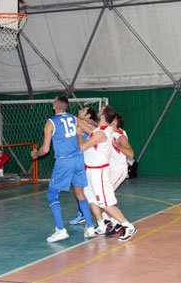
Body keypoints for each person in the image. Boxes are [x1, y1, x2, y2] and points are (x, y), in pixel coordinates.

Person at [31, 96, 95, 242]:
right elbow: (92, 132)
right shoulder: (75, 119)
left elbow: (45, 149)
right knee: (80, 193)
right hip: (78, 159)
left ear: (54, 105)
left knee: (52, 195)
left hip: (64, 161)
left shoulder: (50, 122)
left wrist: (36, 154)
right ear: (66, 107)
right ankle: (90, 227)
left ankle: (60, 230)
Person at [77, 105, 137, 242]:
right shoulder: (105, 129)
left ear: (104, 116)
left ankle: (127, 226)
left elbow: (82, 147)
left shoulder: (105, 133)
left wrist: (79, 133)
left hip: (103, 171)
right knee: (90, 198)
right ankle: (103, 224)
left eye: (101, 110)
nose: (98, 111)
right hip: (92, 170)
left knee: (104, 202)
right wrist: (83, 120)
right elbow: (96, 125)